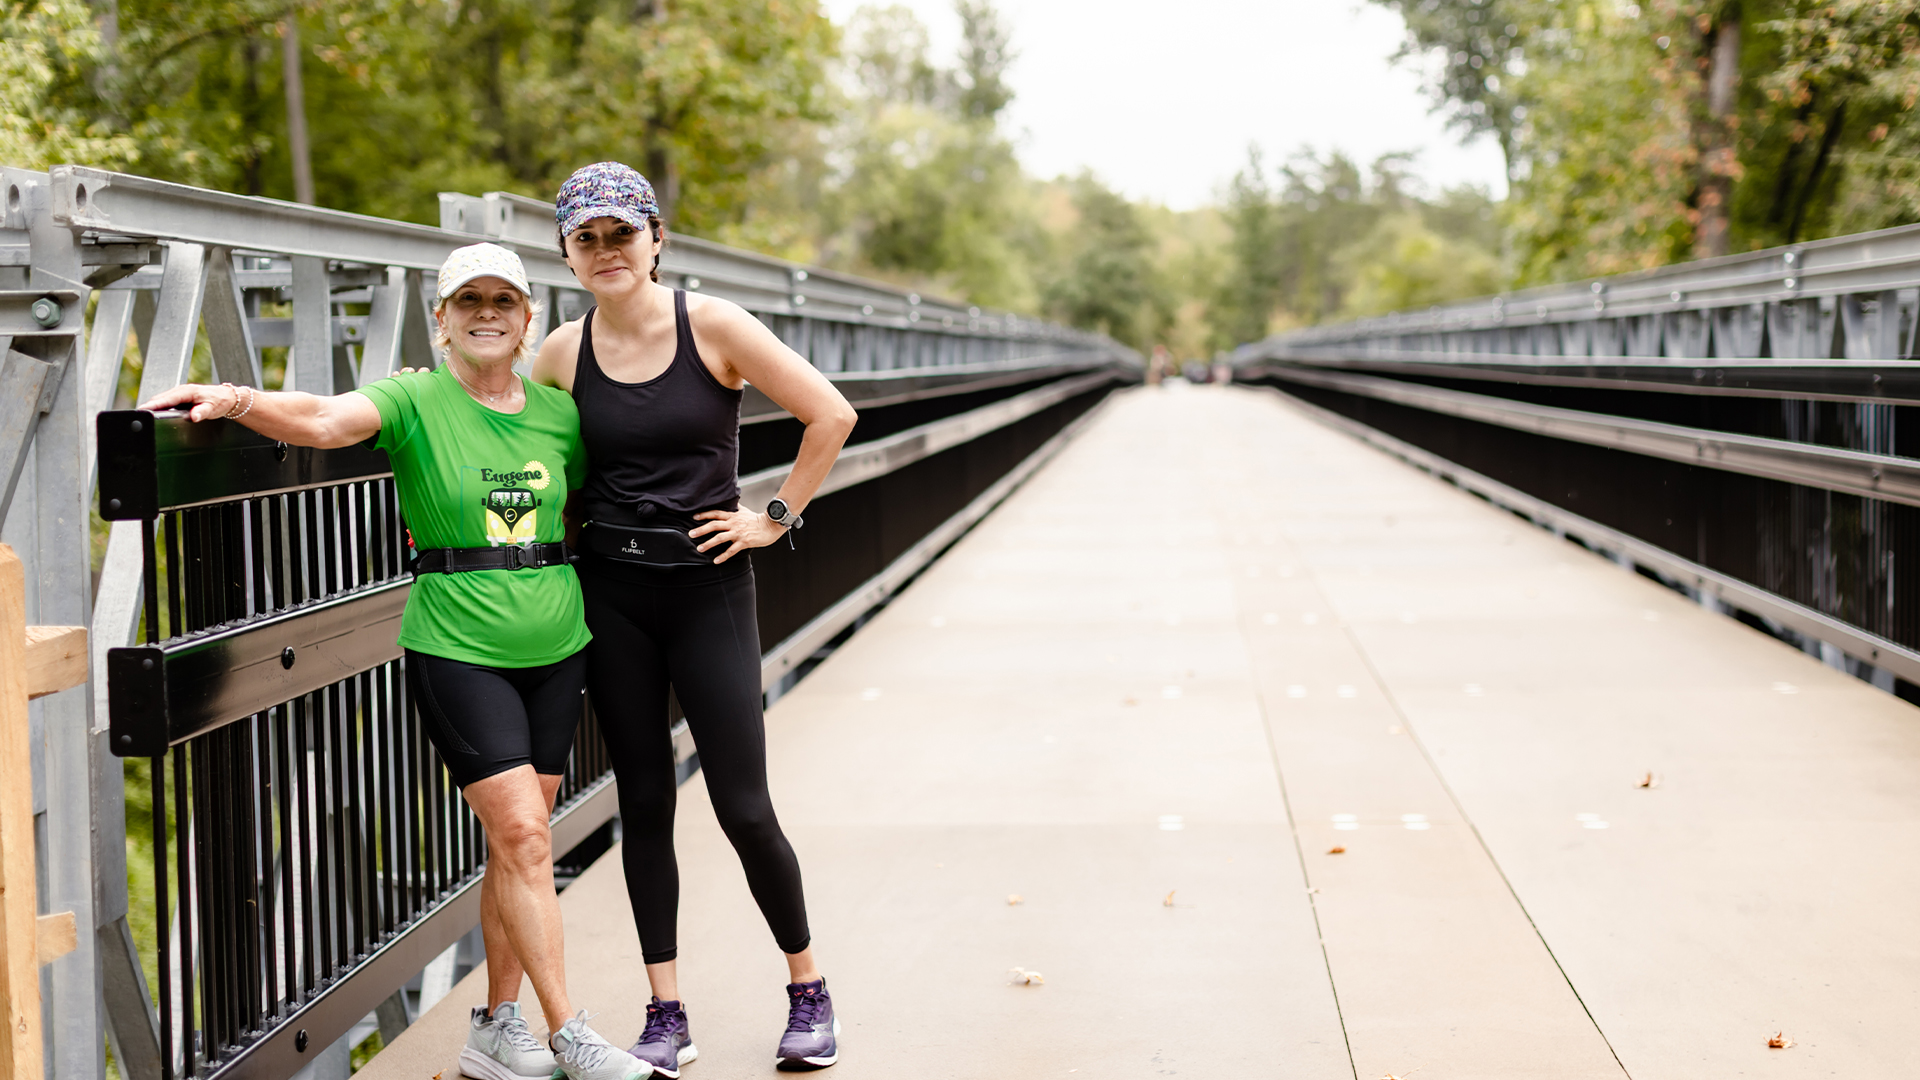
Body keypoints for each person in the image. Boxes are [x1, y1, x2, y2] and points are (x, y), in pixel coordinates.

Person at [139, 243, 655, 1080]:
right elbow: (321, 421)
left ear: (528, 320)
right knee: (525, 834)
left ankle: (494, 1028)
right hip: (458, 644)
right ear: (440, 320)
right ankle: (572, 1036)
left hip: (559, 646)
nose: (486, 313)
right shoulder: (415, 398)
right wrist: (233, 398)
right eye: (468, 301)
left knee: (511, 845)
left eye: (503, 301)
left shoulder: (560, 413)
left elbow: (607, 491)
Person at [531, 162, 858, 1075]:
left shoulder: (710, 324)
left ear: (655, 236)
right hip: (611, 597)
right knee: (642, 805)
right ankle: (665, 1012)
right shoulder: (559, 353)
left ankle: (808, 990)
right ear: (566, 252)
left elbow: (830, 415)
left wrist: (773, 518)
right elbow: (526, 455)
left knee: (743, 806)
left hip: (708, 590)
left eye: (620, 233)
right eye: (586, 239)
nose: (606, 252)